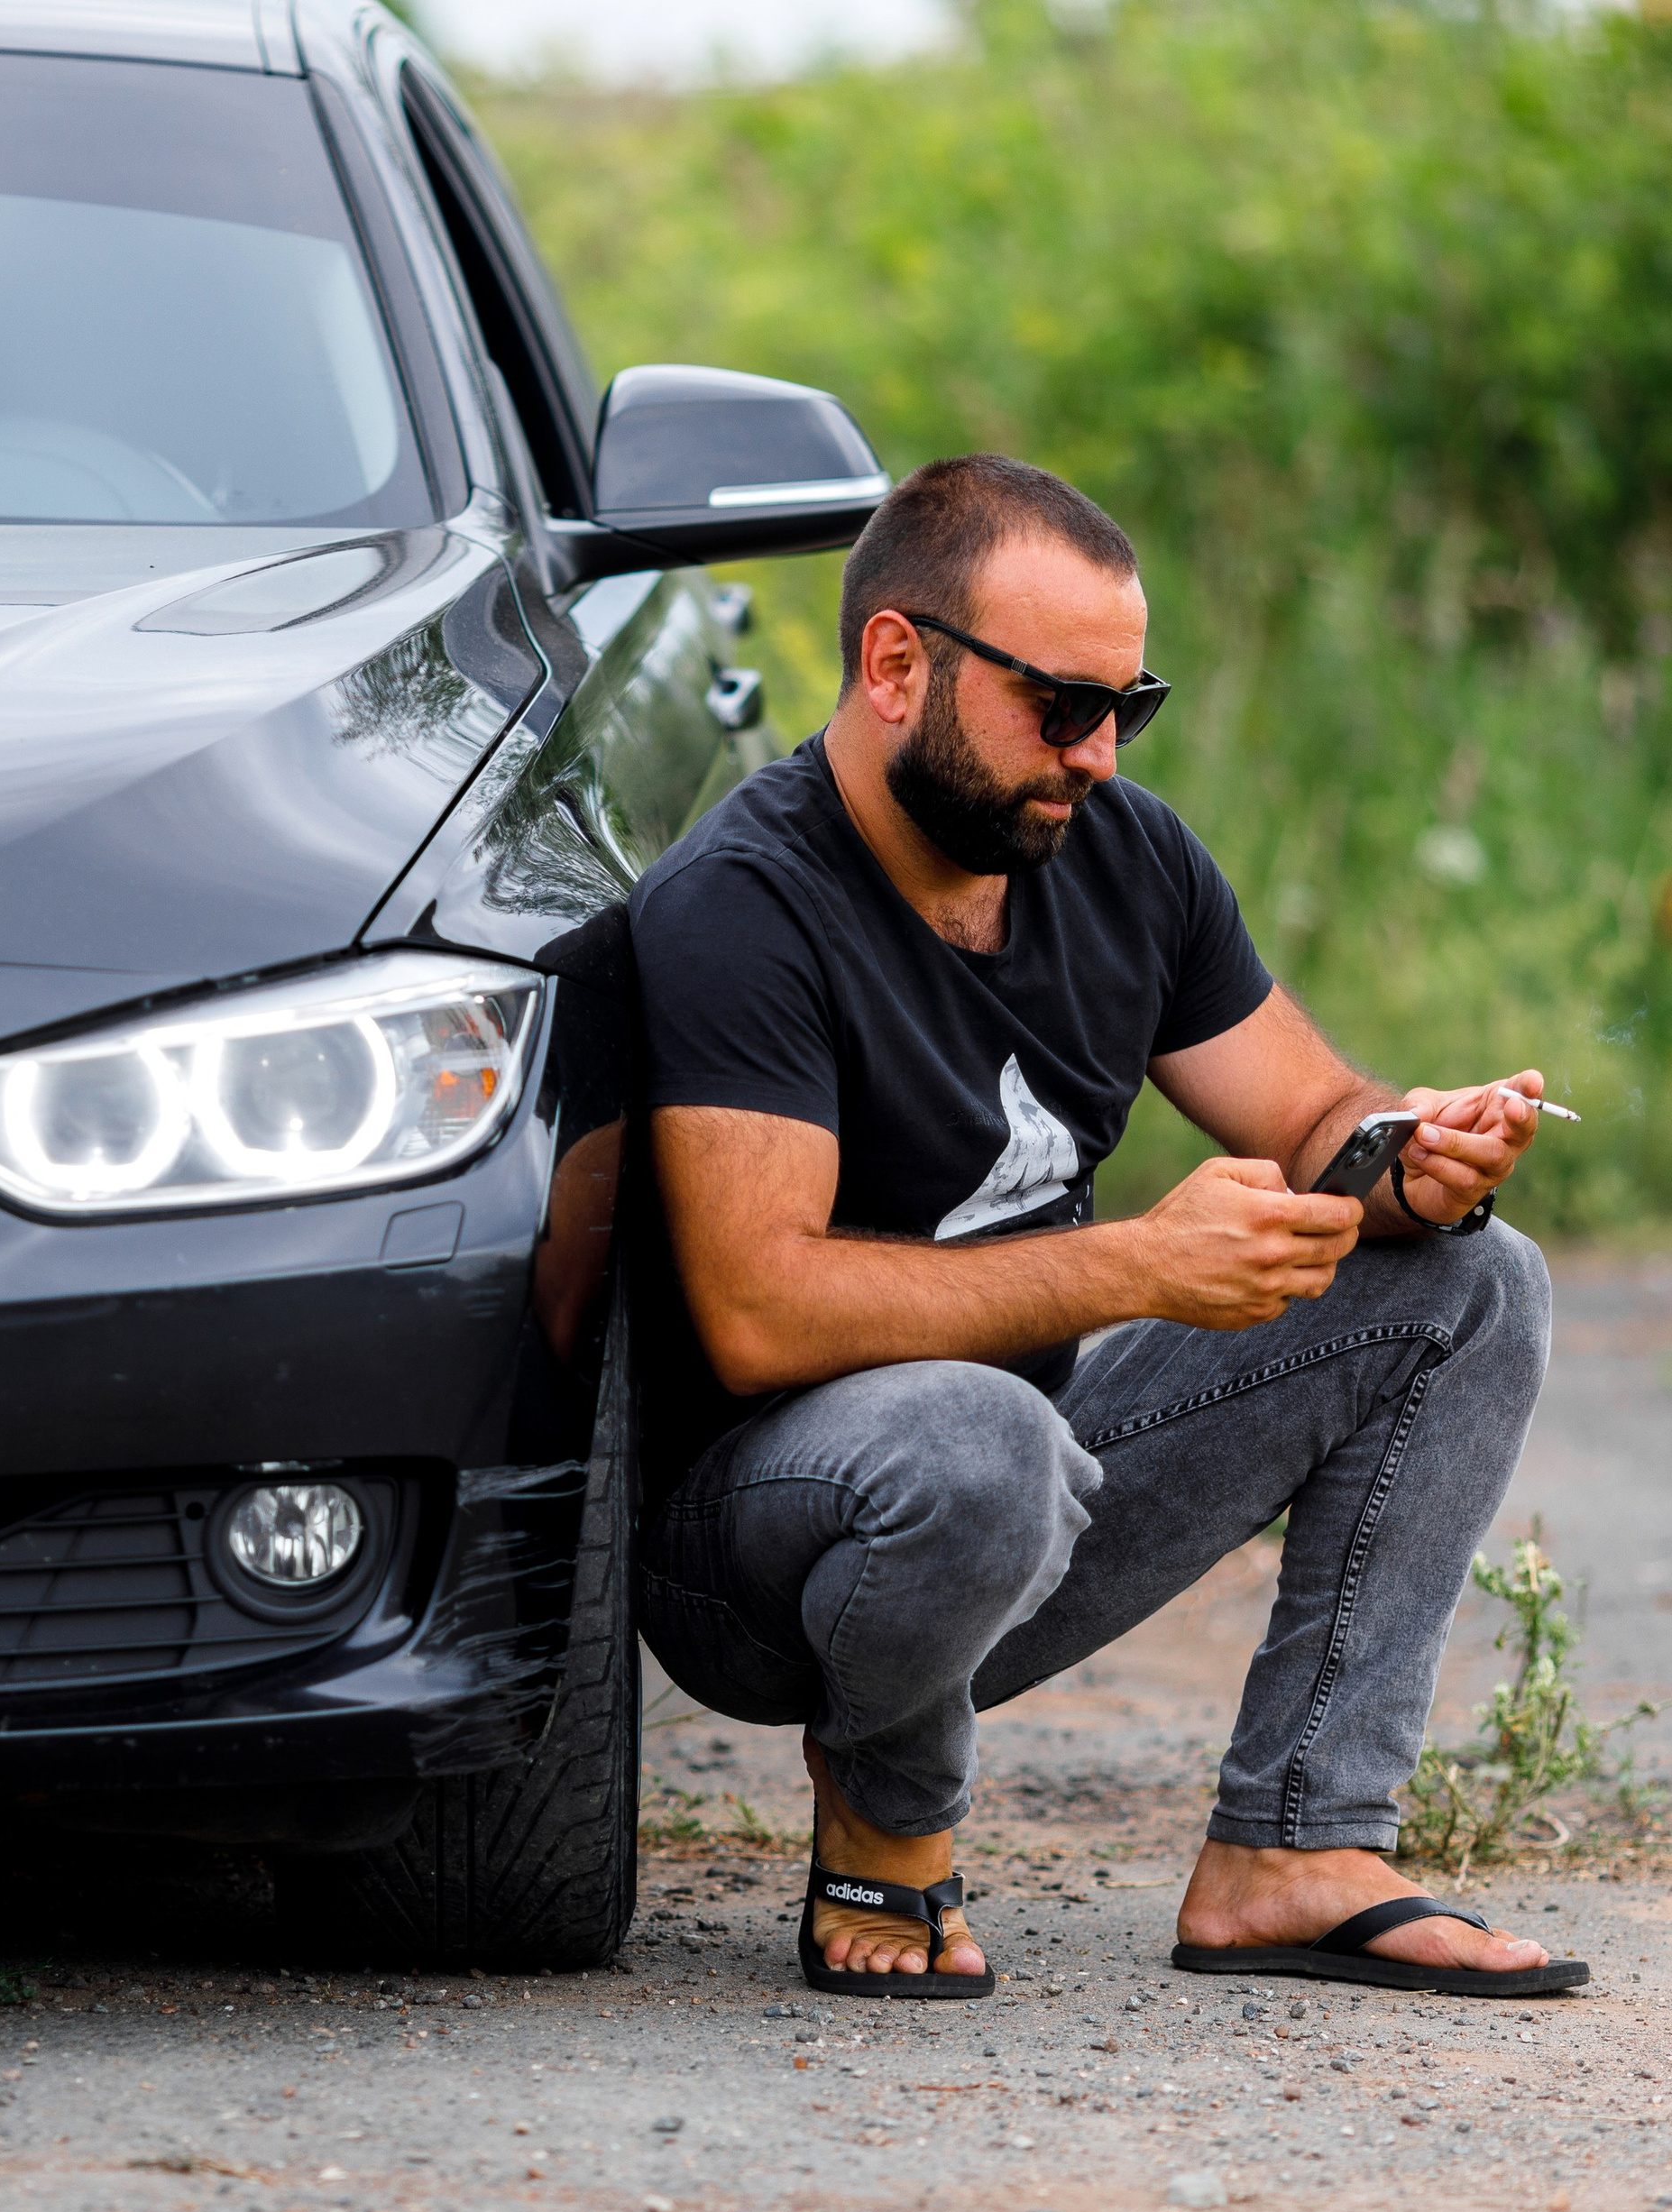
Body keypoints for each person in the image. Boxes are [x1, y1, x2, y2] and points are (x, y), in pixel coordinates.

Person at [628, 454, 1582, 2001]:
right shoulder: (743, 905)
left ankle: (1298, 1846)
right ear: (896, 665)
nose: (1097, 755)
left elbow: (1313, 1114)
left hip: (1027, 1497)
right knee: (982, 1437)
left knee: (1475, 1283)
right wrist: (1139, 1262)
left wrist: (1411, 1157)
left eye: (1128, 707)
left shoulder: (1119, 853)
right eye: (1061, 706)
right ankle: (889, 1811)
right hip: (761, 1566)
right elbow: (758, 1311)